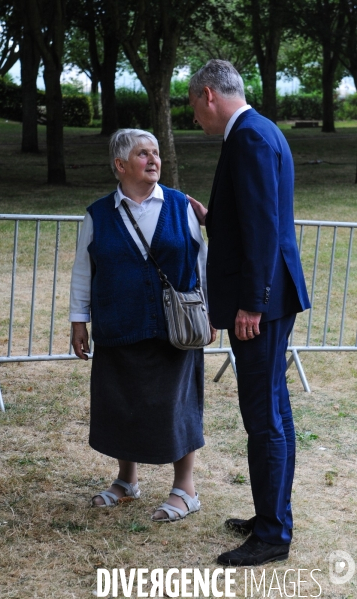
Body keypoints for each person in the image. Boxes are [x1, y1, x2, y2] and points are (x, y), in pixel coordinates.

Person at [188, 60, 310, 565]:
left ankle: (272, 536)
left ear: (209, 95)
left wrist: (250, 304)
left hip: (262, 301)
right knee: (272, 410)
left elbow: (263, 227)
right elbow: (253, 215)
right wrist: (213, 218)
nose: (195, 117)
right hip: (268, 295)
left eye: (194, 106)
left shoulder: (250, 137)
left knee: (263, 417)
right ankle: (271, 518)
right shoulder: (259, 132)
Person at [69, 128, 215, 522]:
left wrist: (211, 310)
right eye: (142, 154)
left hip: (175, 328)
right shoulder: (98, 213)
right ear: (120, 165)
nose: (153, 160)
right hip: (118, 323)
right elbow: (84, 270)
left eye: (155, 153)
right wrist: (78, 320)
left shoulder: (180, 205)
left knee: (178, 405)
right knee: (122, 402)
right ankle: (126, 480)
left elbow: (201, 262)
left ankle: (185, 489)